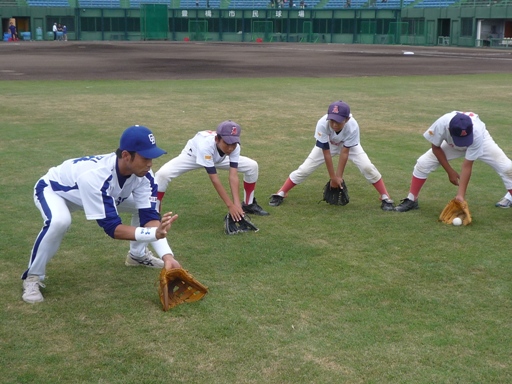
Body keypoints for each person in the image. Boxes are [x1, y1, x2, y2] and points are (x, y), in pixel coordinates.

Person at [21, 125, 182, 304]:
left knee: (139, 207)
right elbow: (113, 229)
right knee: (59, 221)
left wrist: (167, 255)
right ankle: (33, 277)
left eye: (152, 157)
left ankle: (137, 255)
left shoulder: (145, 175)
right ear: (127, 155)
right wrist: (153, 233)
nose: (150, 163)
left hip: (102, 193)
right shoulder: (96, 176)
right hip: (55, 190)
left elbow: (149, 217)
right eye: (145, 157)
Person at [269, 101, 395, 211]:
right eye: (332, 120)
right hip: (328, 144)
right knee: (305, 168)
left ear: (347, 119)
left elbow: (345, 152)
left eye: (338, 121)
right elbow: (326, 153)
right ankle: (282, 192)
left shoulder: (353, 126)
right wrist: (333, 178)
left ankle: (385, 196)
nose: (334, 124)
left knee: (367, 166)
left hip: (348, 146)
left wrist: (339, 176)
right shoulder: (322, 123)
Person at [395, 111, 512, 212]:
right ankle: (412, 199)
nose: (463, 142)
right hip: (451, 144)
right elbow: (436, 147)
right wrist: (449, 171)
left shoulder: (477, 133)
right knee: (423, 163)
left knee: (508, 168)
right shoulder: (441, 124)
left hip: (480, 142)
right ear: (449, 129)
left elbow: (467, 165)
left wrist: (460, 196)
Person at [155, 120, 269, 221]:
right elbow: (214, 179)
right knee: (162, 174)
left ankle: (248, 205)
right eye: (227, 143)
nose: (230, 147)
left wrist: (237, 204)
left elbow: (233, 175)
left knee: (252, 166)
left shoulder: (234, 147)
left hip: (220, 157)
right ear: (217, 139)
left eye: (233, 143)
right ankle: (154, 214)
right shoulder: (206, 145)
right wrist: (230, 206)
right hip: (192, 157)